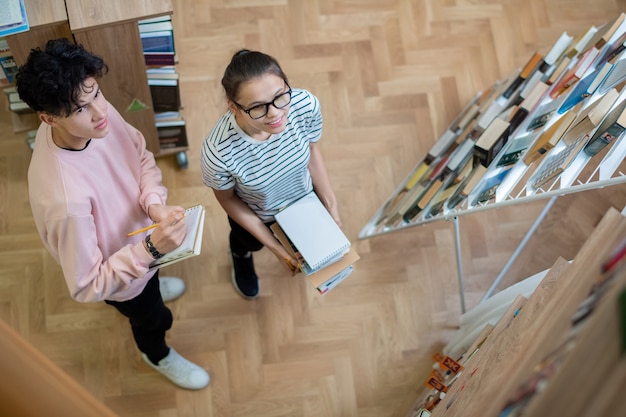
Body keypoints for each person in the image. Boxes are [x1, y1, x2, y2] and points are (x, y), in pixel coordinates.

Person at [17, 38, 209, 390]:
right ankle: (156, 355)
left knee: (149, 286)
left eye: (97, 94)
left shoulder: (96, 118)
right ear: (48, 118)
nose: (100, 112)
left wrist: (153, 203)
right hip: (124, 274)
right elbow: (87, 285)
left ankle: (151, 279)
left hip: (139, 248)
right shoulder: (66, 203)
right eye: (80, 108)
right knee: (153, 318)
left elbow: (139, 154)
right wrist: (149, 251)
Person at [201, 49, 341, 299]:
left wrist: (331, 205)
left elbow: (312, 151)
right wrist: (275, 248)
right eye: (257, 108)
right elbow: (227, 199)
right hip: (258, 214)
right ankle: (240, 254)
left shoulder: (304, 105)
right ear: (233, 106)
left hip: (305, 202)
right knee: (248, 243)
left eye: (280, 97)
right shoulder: (218, 153)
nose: (276, 114)